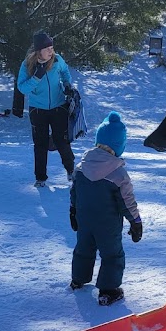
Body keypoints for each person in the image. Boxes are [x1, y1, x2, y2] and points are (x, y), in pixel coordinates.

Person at [69, 112, 142, 306]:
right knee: (112, 255)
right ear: (119, 145)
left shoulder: (81, 167)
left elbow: (74, 192)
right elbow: (127, 201)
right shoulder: (118, 173)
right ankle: (108, 290)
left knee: (84, 249)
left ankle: (78, 279)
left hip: (85, 220)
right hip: (108, 225)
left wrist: (73, 211)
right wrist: (135, 221)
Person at [17, 30, 75, 187]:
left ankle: (71, 171)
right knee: (40, 144)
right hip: (38, 110)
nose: (51, 51)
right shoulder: (27, 65)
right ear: (38, 51)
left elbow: (65, 72)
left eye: (52, 47)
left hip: (58, 106)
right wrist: (36, 77)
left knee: (62, 141)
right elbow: (22, 88)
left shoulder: (57, 60)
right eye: (47, 48)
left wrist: (67, 84)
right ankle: (40, 178)